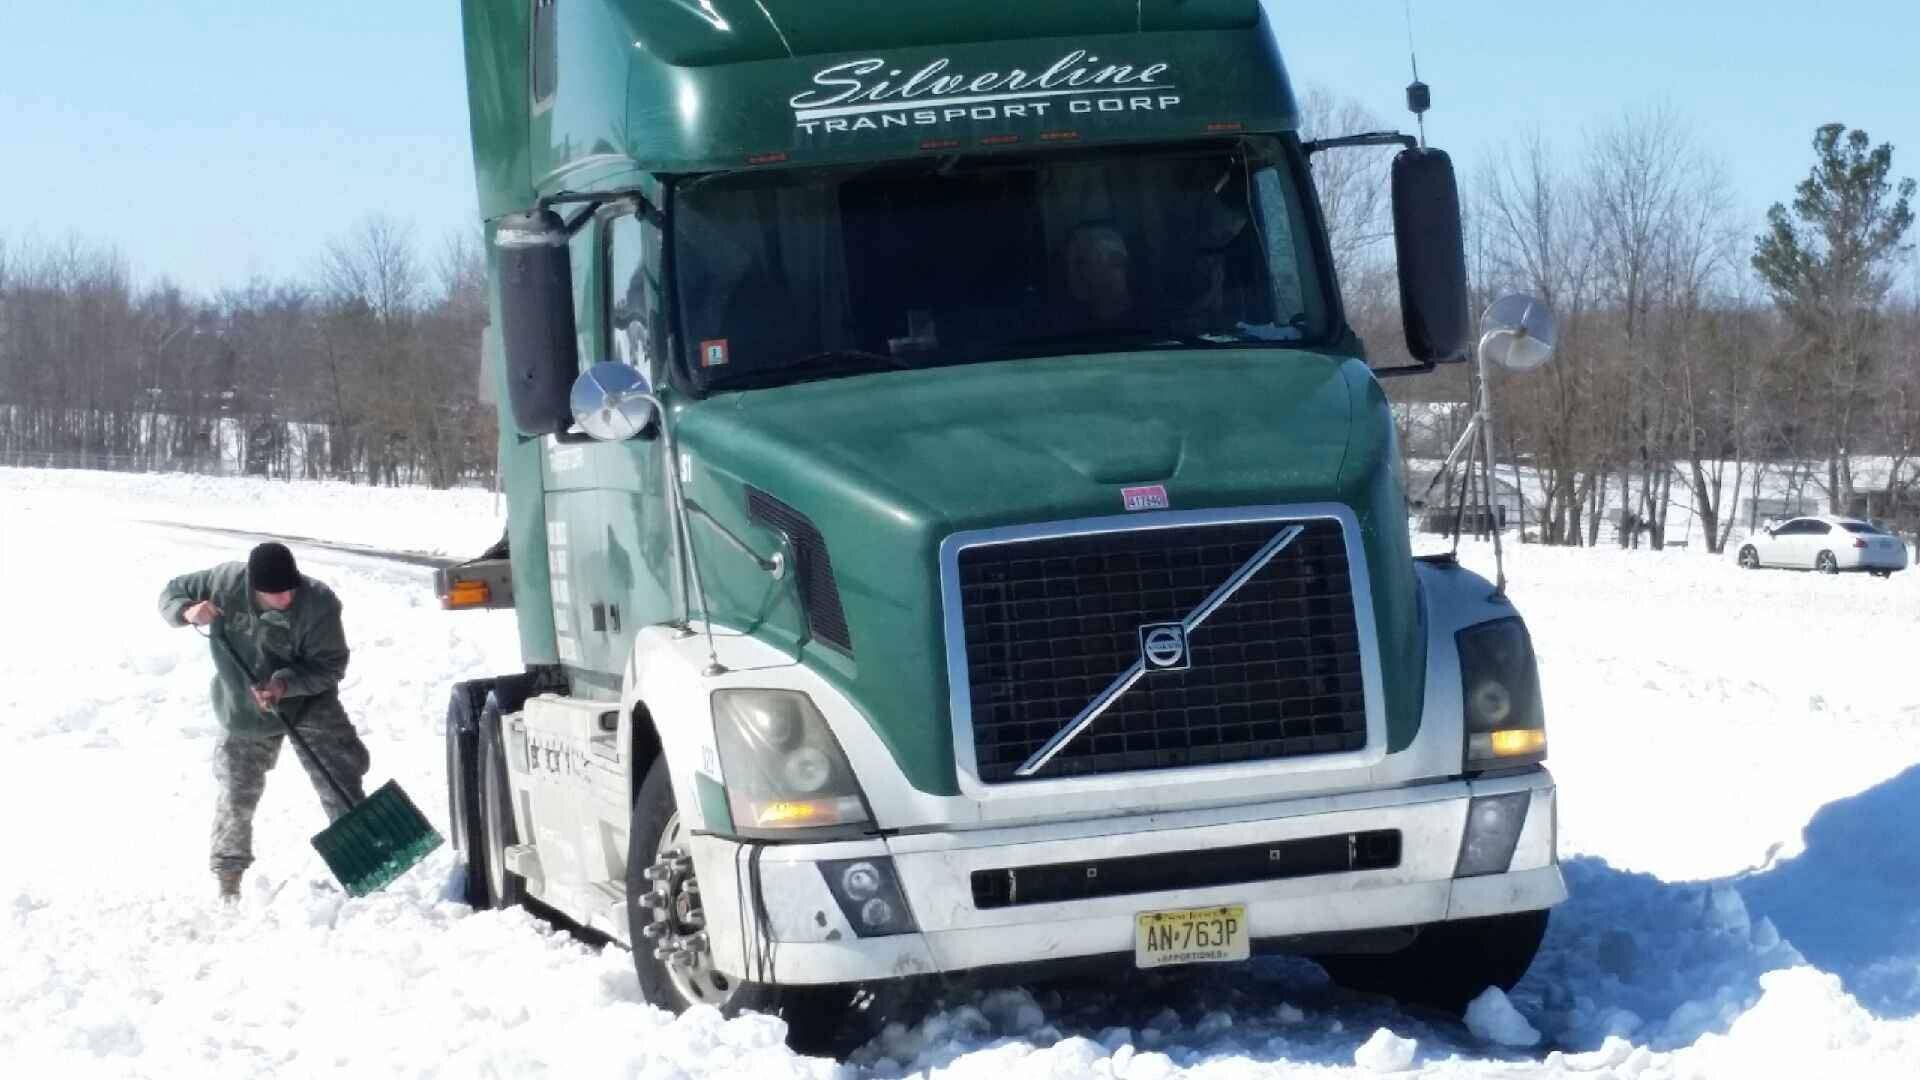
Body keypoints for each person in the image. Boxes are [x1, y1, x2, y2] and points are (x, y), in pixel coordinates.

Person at [159, 542, 369, 901]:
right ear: (253, 587)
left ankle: (367, 866)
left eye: (289, 589)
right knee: (236, 793)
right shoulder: (224, 582)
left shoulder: (318, 603)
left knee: (340, 781)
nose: (285, 598)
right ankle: (228, 879)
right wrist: (187, 611)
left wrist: (284, 684)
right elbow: (171, 592)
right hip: (244, 704)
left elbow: (330, 666)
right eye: (274, 594)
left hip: (308, 701)